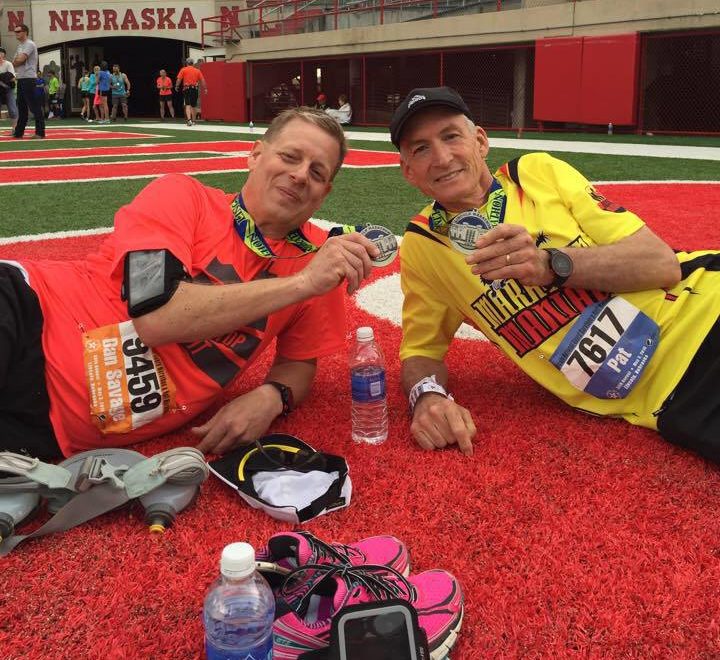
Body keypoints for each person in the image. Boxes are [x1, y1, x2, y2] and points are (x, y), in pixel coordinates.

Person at [0, 107, 378, 462]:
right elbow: (155, 318)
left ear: (325, 191)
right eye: (290, 157)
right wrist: (303, 282)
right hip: (27, 316)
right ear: (255, 155)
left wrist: (271, 396)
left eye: (317, 172)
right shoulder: (181, 196)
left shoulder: (318, 259)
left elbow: (298, 363)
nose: (300, 175)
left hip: (48, 433)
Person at [391, 86, 720, 463]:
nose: (442, 157)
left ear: (480, 141)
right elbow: (421, 351)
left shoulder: (535, 174)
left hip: (704, 310)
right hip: (667, 399)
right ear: (408, 171)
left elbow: (660, 264)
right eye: (420, 148)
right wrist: (427, 397)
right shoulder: (423, 245)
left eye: (451, 136)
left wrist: (552, 265)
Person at [11, 23, 45, 139]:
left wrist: (17, 60)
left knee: (34, 106)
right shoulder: (20, 46)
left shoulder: (29, 44)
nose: (16, 33)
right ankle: (19, 132)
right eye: (15, 31)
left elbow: (19, 60)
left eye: (18, 31)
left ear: (25, 32)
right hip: (21, 79)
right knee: (21, 107)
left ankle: (40, 132)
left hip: (29, 79)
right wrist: (17, 61)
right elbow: (15, 61)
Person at [175, 58, 207, 126]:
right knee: (194, 105)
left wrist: (177, 86)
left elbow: (179, 79)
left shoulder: (183, 69)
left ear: (187, 63)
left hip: (186, 88)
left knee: (187, 104)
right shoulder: (197, 71)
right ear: (193, 63)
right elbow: (202, 80)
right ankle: (194, 121)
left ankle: (189, 120)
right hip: (194, 89)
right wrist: (205, 88)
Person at [0, 47, 18, 136]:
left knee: (13, 110)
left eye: (1, 53)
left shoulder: (8, 64)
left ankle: (15, 128)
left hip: (8, 89)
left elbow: (13, 78)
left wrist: (3, 78)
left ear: (4, 55)